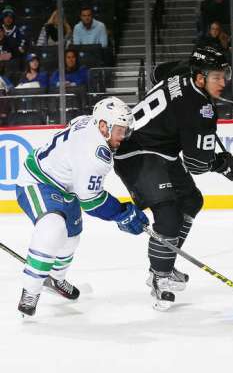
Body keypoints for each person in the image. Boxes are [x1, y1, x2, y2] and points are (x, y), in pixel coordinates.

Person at [113, 47, 233, 310]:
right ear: (200, 78)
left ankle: (165, 260)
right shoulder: (201, 110)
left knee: (191, 201)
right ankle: (160, 276)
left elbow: (157, 73)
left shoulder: (182, 69)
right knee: (169, 215)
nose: (223, 83)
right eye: (216, 78)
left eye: (224, 75)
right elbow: (197, 164)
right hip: (137, 152)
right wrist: (225, 165)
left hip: (161, 151)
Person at [14, 97, 148, 317]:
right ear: (104, 126)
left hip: (65, 186)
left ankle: (56, 280)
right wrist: (122, 213)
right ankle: (31, 290)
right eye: (121, 130)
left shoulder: (90, 121)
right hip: (37, 181)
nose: (123, 136)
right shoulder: (96, 155)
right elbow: (91, 201)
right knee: (52, 229)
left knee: (71, 238)